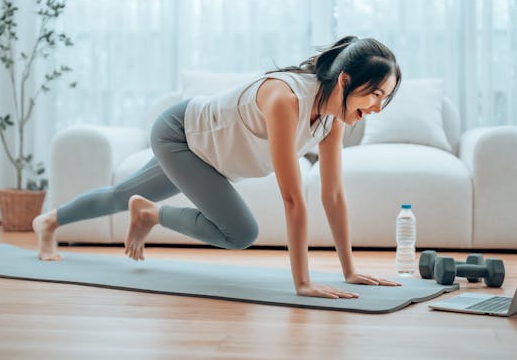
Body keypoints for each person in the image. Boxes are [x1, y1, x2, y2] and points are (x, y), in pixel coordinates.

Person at [33, 36, 403, 299]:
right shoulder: (285, 98)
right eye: (374, 95)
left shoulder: (331, 118)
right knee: (240, 232)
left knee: (120, 193)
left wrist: (349, 271)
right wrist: (302, 283)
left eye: (384, 99)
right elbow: (293, 199)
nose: (376, 107)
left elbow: (333, 195)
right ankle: (149, 213)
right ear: (345, 80)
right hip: (180, 134)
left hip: (204, 152)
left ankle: (48, 221)